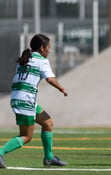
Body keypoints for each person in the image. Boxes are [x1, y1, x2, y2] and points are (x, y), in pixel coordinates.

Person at [0, 34, 68, 168]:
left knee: (47, 123)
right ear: (42, 48)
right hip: (25, 100)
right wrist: (62, 88)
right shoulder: (41, 60)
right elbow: (50, 79)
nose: (50, 50)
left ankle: (49, 158)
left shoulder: (26, 58)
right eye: (48, 47)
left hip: (19, 97)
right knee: (26, 136)